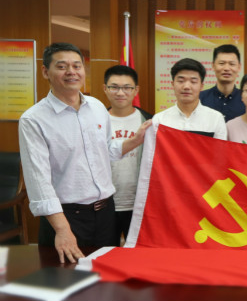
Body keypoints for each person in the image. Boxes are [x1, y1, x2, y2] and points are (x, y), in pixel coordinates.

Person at [18, 43, 150, 263]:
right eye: (62, 66)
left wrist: (135, 140)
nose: (71, 72)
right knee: (65, 277)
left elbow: (106, 151)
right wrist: (62, 229)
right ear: (45, 72)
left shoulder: (97, 107)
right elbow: (38, 181)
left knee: (106, 273)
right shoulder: (33, 120)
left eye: (77, 66)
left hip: (106, 213)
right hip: (67, 217)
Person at [103, 65, 153, 243]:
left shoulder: (150, 122)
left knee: (138, 253)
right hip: (104, 204)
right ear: (105, 89)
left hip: (139, 203)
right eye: (114, 87)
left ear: (136, 90)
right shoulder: (95, 122)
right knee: (105, 252)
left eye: (127, 88)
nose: (120, 93)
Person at [152, 58, 227, 140]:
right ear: (173, 84)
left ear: (201, 86)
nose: (186, 87)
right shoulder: (159, 120)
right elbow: (150, 148)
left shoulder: (215, 119)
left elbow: (220, 148)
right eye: (181, 81)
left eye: (193, 82)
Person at [199, 44, 245, 122]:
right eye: (221, 63)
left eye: (232, 64)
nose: (226, 68)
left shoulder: (246, 99)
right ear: (213, 66)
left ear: (239, 67)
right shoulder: (200, 98)